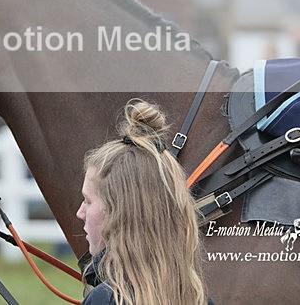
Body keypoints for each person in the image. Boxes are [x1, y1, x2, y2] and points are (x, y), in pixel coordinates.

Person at [76, 99, 208, 305]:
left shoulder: (106, 299)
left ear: (119, 213)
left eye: (88, 201)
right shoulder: (198, 299)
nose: (80, 213)